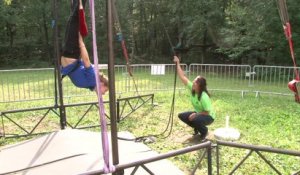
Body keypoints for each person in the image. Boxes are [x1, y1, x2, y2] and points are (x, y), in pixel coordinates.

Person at [60, 0, 108, 95]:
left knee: (73, 19)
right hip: (72, 52)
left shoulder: (91, 84)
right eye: (105, 91)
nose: (103, 94)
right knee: (74, 19)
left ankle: (75, 2)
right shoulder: (93, 80)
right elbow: (86, 60)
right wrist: (81, 42)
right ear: (101, 84)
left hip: (71, 53)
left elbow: (82, 64)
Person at [173, 56, 215, 141]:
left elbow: (207, 112)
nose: (193, 82)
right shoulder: (192, 88)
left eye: (195, 82)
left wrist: (196, 114)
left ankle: (204, 132)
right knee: (182, 116)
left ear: (200, 86)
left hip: (209, 116)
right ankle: (197, 127)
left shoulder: (204, 96)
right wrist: (177, 62)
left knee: (194, 118)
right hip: (199, 113)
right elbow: (182, 76)